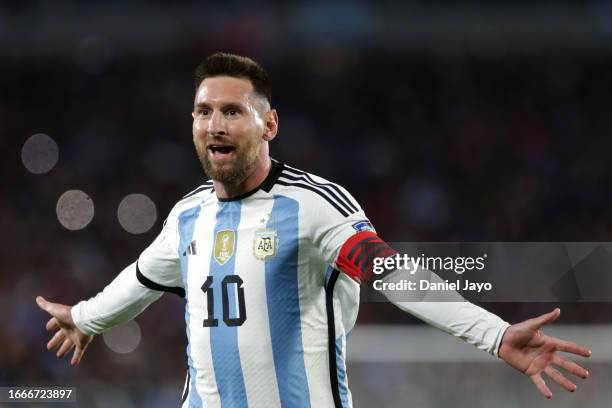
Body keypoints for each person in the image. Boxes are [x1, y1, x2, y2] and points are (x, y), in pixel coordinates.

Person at [36, 52, 591, 408]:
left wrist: (492, 334)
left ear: (269, 124)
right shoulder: (189, 216)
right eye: (204, 111)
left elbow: (394, 274)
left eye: (232, 111)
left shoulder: (312, 205)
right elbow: (140, 280)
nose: (215, 125)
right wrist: (86, 319)